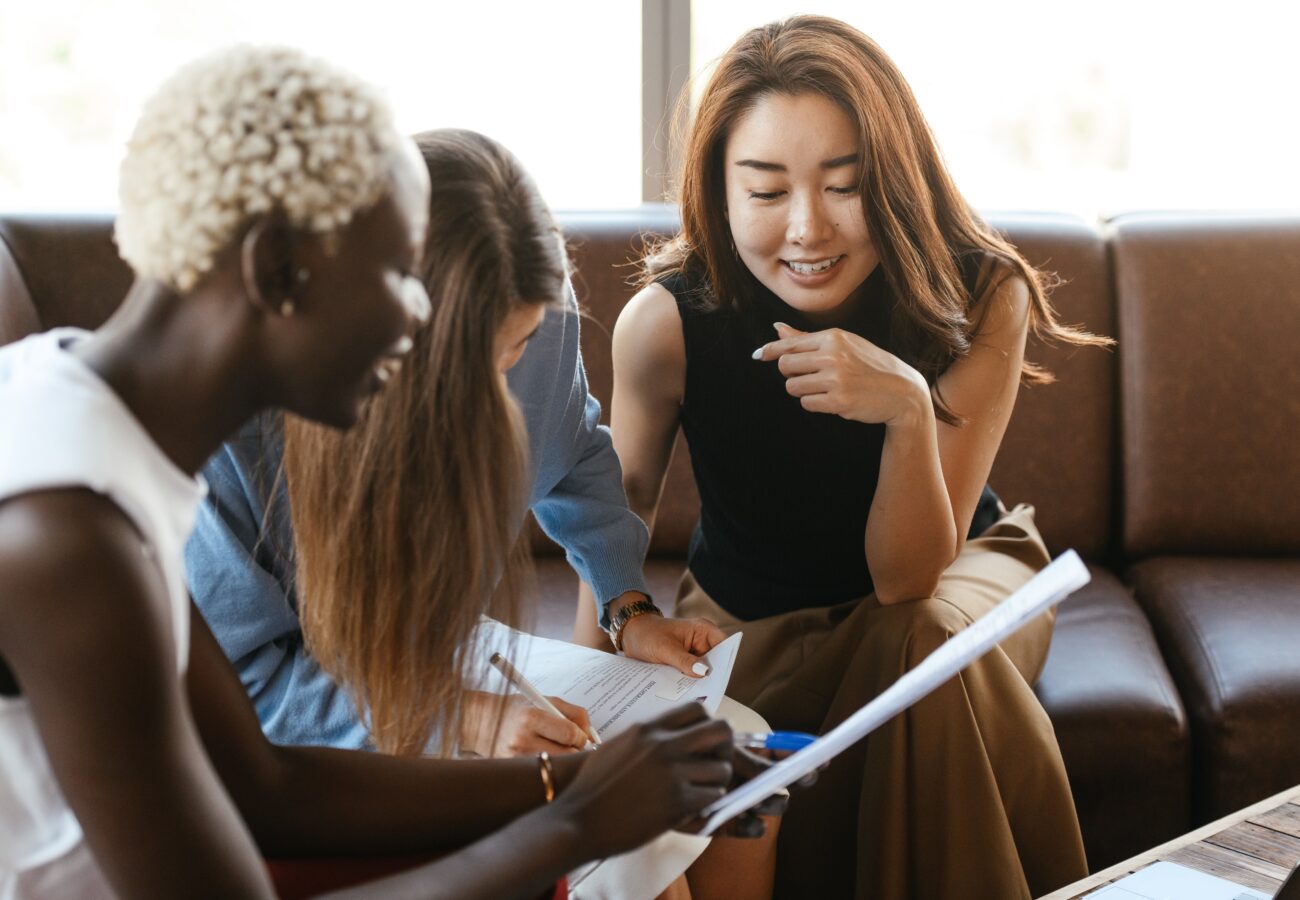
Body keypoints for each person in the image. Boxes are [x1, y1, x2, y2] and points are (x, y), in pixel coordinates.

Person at [0, 46, 738, 900]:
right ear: (277, 271)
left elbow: (262, 783)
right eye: (396, 275)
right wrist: (572, 825)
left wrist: (573, 784)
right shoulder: (65, 537)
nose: (416, 316)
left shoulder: (92, 426)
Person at [573, 15, 1111, 900]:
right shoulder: (666, 324)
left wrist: (906, 409)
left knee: (920, 639)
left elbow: (909, 581)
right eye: (767, 190)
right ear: (719, 191)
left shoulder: (983, 295)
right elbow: (610, 518)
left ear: (894, 179)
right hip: (752, 616)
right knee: (914, 655)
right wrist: (584, 699)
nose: (808, 229)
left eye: (845, 185)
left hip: (959, 579)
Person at [189, 126, 782, 900]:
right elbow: (247, 689)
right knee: (637, 851)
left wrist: (626, 605)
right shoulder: (236, 422)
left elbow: (573, 453)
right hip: (317, 717)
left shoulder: (540, 318)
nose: (501, 390)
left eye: (522, 346)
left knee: (735, 746)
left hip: (444, 651)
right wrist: (461, 719)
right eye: (475, 359)